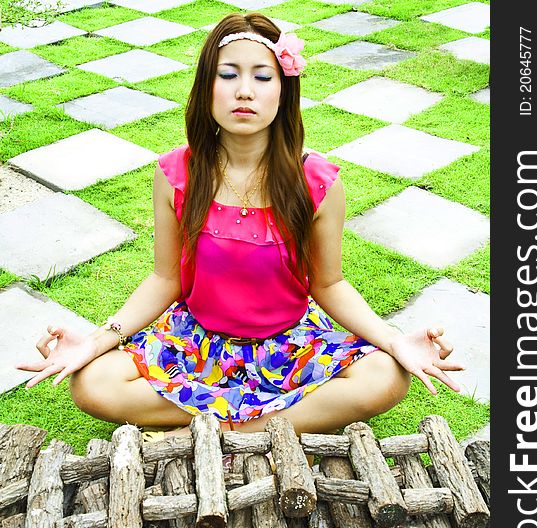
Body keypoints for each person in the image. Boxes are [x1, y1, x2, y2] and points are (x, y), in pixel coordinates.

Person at [16, 12, 464, 440]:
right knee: (91, 383)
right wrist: (95, 342)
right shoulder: (177, 173)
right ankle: (265, 423)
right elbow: (165, 278)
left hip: (290, 345)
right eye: (228, 75)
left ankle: (219, 429)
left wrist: (392, 340)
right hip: (195, 345)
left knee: (386, 377)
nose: (244, 91)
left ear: (283, 91)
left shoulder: (317, 182)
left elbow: (329, 284)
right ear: (206, 87)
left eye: (262, 77)